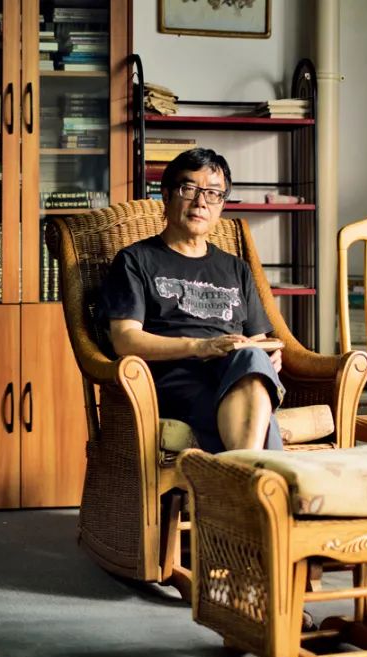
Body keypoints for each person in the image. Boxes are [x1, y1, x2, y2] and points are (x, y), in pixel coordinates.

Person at [102, 147, 284, 452]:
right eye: (189, 189)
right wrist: (200, 347)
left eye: (213, 194)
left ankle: (243, 469)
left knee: (254, 361)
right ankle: (255, 472)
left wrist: (268, 355)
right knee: (261, 415)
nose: (201, 202)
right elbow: (124, 340)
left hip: (235, 374)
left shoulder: (236, 268)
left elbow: (257, 340)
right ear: (166, 195)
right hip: (175, 379)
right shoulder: (135, 261)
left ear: (221, 205)